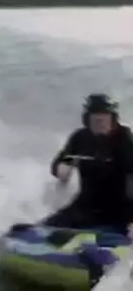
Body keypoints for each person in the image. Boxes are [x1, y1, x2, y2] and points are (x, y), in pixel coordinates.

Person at [45, 93, 133, 238]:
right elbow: (60, 163)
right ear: (87, 118)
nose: (99, 119)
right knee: (46, 230)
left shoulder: (124, 139)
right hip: (86, 206)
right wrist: (60, 169)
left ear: (113, 118)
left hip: (121, 210)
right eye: (95, 116)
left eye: (104, 116)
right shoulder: (80, 138)